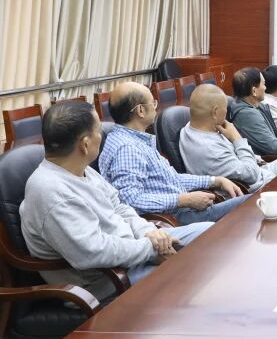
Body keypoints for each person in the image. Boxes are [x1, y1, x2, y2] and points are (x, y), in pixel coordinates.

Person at [20, 100, 212, 302]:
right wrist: (150, 249)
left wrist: (148, 232)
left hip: (135, 249)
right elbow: (94, 251)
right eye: (98, 131)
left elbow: (119, 206)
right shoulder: (51, 191)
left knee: (209, 233)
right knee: (192, 271)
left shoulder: (80, 168)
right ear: (85, 144)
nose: (102, 136)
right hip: (107, 281)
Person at [100, 81, 246, 224]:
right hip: (173, 218)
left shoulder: (133, 139)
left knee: (250, 203)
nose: (156, 107)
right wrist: (184, 200)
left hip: (182, 209)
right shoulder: (127, 148)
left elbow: (172, 179)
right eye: (153, 103)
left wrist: (215, 181)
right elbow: (130, 200)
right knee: (250, 203)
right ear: (141, 110)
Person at [179, 83, 277, 190]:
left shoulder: (193, 127)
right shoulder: (208, 148)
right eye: (225, 109)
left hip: (259, 169)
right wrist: (237, 138)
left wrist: (257, 159)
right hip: (256, 186)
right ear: (215, 112)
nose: (226, 113)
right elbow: (251, 175)